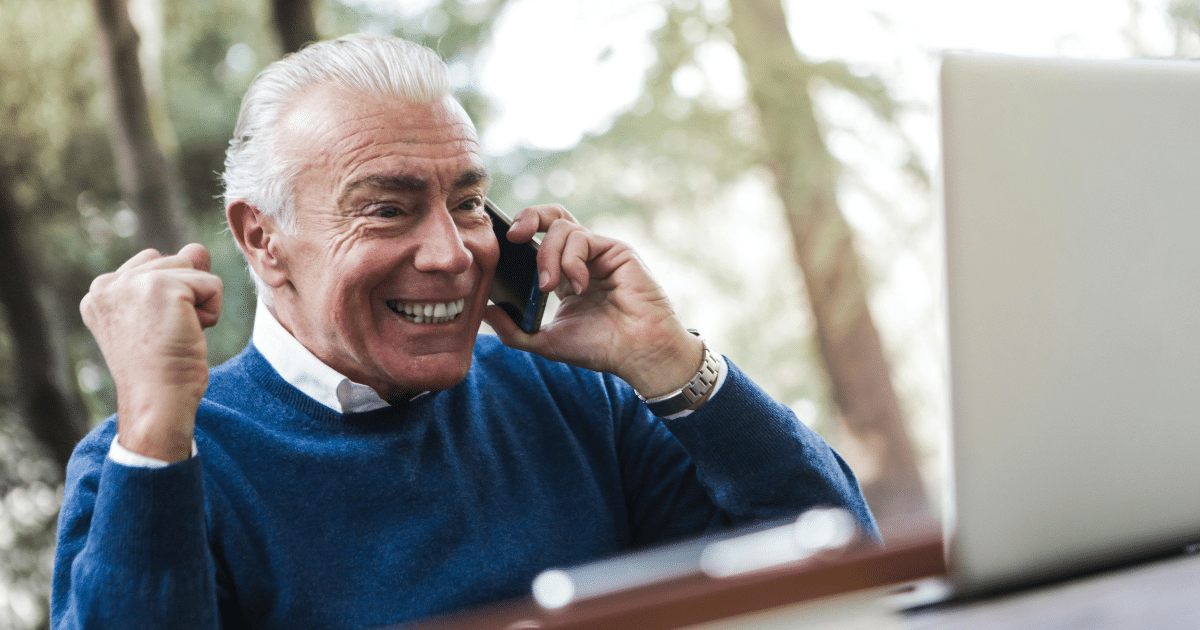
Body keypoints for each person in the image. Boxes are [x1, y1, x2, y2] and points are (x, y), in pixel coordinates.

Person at [51, 34, 876, 629]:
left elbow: (835, 576)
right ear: (263, 238)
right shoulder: (154, 467)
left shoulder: (579, 398)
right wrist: (157, 435)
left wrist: (672, 363)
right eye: (389, 209)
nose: (452, 254)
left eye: (469, 203)